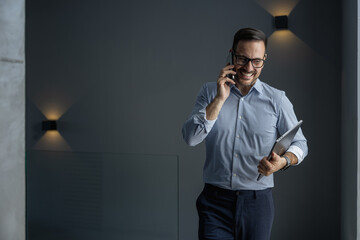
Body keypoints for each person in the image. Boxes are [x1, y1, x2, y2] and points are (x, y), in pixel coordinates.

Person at [182, 28, 308, 240]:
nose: (249, 67)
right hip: (214, 202)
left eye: (257, 61)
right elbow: (191, 138)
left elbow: (301, 143)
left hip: (257, 203)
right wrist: (220, 99)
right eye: (243, 59)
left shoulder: (277, 99)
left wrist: (283, 162)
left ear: (264, 59)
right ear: (232, 55)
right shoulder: (209, 92)